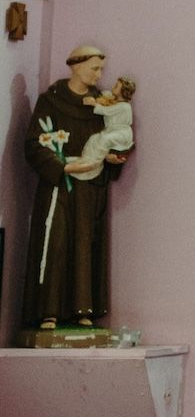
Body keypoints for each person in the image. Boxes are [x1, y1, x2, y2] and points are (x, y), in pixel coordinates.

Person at [20, 43, 133, 336]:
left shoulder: (102, 105)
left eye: (101, 70)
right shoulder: (51, 101)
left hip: (89, 189)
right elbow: (33, 144)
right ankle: (49, 311)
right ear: (76, 66)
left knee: (85, 245)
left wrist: (113, 159)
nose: (99, 75)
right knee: (55, 242)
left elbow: (111, 137)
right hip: (59, 185)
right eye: (95, 68)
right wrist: (64, 167)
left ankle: (83, 310)